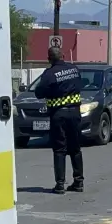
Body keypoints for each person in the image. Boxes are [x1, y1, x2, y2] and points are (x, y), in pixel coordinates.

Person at [34, 47, 84, 194]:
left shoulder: (49, 74)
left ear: (49, 58)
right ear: (62, 56)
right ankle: (79, 182)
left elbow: (39, 93)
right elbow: (80, 84)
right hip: (74, 113)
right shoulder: (74, 69)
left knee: (59, 149)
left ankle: (60, 184)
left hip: (58, 115)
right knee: (75, 148)